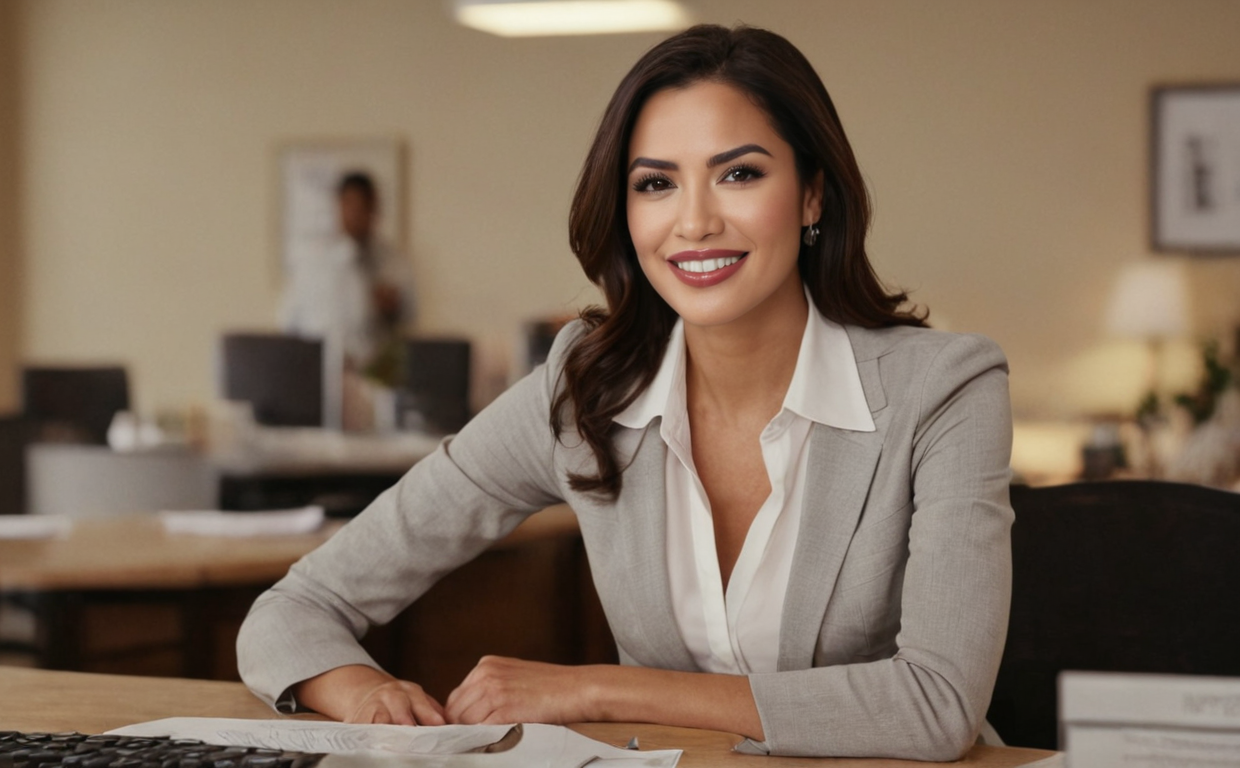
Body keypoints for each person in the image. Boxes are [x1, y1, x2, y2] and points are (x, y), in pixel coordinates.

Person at [239, 24, 1012, 761]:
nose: (695, 221)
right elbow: (293, 610)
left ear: (813, 195)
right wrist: (362, 693)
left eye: (740, 173)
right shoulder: (586, 388)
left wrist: (595, 691)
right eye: (656, 184)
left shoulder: (944, 390)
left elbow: (936, 703)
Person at [279, 171, 413, 428]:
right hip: (321, 375)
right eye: (348, 205)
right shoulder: (313, 258)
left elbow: (408, 319)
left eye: (364, 206)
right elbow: (288, 320)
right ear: (338, 206)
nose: (355, 214)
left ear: (375, 209)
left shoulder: (394, 261)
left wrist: (390, 309)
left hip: (376, 376)